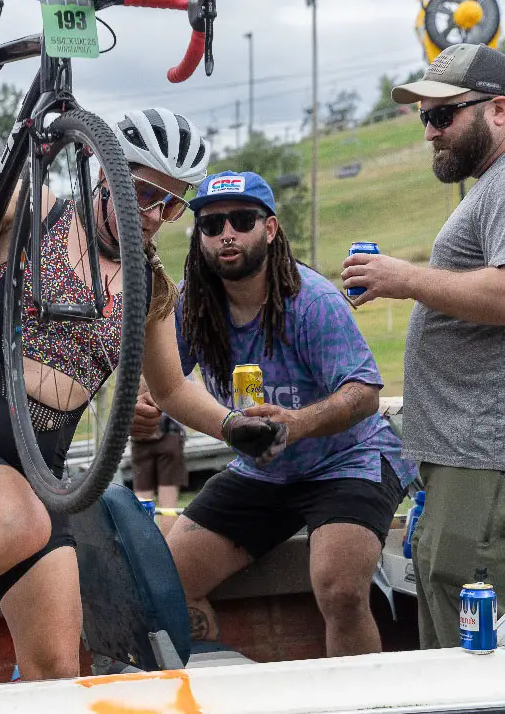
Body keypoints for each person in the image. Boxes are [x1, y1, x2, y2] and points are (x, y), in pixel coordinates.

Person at [0, 48, 286, 696]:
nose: (151, 215)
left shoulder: (150, 287)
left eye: (170, 207)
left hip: (37, 482)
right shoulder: (30, 213)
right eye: (144, 193)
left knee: (58, 674)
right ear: (105, 170)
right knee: (21, 523)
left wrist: (234, 426)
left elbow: (173, 389)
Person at [167, 170, 418, 657]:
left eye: (242, 220)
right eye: (212, 225)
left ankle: (361, 706)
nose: (227, 235)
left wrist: (297, 423)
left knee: (341, 590)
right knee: (167, 581)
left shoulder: (312, 300)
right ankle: (220, 693)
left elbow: (364, 393)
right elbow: (164, 382)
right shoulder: (192, 306)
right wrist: (142, 404)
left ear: (271, 228)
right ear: (199, 238)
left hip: (349, 461)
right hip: (263, 469)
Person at [342, 43, 505, 649]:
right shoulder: (488, 188)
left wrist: (404, 279)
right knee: (449, 619)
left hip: (483, 459)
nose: (431, 133)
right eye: (424, 118)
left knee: (474, 643)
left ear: (499, 112)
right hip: (464, 457)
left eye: (445, 115)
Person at [129, 378, 187, 537]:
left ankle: (143, 549)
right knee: (168, 506)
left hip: (141, 438)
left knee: (141, 502)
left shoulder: (130, 368)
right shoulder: (174, 362)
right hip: (170, 435)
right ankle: (168, 550)